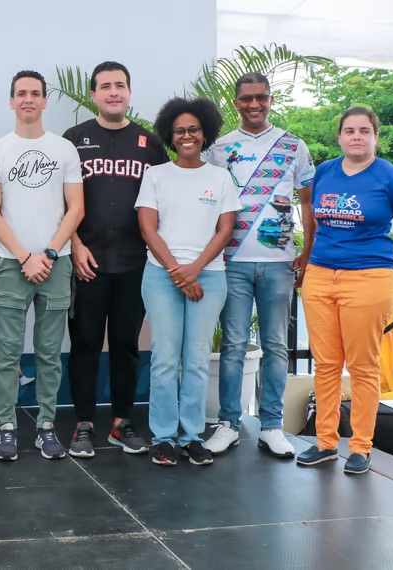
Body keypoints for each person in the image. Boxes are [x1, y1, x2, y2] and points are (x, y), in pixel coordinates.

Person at [296, 106, 393, 475]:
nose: (356, 136)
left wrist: (385, 259)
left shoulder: (392, 177)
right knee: (326, 364)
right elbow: (315, 219)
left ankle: (361, 447)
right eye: (349, 130)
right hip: (321, 277)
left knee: (363, 366)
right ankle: (325, 442)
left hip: (369, 280)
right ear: (339, 137)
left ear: (375, 137)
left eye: (364, 131)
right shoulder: (325, 172)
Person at [203, 73, 316, 459]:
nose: (255, 104)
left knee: (275, 346)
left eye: (261, 97)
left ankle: (271, 426)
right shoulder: (219, 149)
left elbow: (307, 203)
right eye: (247, 98)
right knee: (233, 345)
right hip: (232, 261)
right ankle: (229, 424)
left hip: (279, 263)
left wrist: (307, 252)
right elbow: (210, 203)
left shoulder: (293, 145)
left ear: (271, 99)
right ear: (237, 102)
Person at [61, 61, 170, 458]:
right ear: (93, 94)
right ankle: (84, 424)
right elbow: (59, 200)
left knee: (126, 345)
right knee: (85, 344)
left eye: (119, 85)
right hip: (86, 261)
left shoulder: (150, 144)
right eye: (105, 86)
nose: (113, 92)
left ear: (129, 93)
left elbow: (164, 201)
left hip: (134, 262)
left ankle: (122, 423)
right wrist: (74, 243)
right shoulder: (73, 140)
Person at [0, 70, 85, 461]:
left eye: (35, 93)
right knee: (7, 352)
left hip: (56, 263)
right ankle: (7, 428)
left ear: (44, 101)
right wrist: (25, 257)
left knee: (49, 353)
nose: (28, 99)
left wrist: (50, 254)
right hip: (12, 264)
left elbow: (76, 208)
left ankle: (46, 427)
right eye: (21, 93)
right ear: (12, 101)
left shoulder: (64, 149)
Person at [136, 97, 241, 467]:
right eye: (179, 130)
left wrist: (194, 269)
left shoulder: (220, 178)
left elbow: (225, 229)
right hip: (161, 275)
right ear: (170, 135)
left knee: (196, 359)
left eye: (193, 129)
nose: (187, 136)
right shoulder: (156, 176)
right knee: (165, 358)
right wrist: (178, 272)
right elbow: (148, 228)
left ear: (205, 133)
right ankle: (163, 437)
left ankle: (192, 436)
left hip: (208, 276)